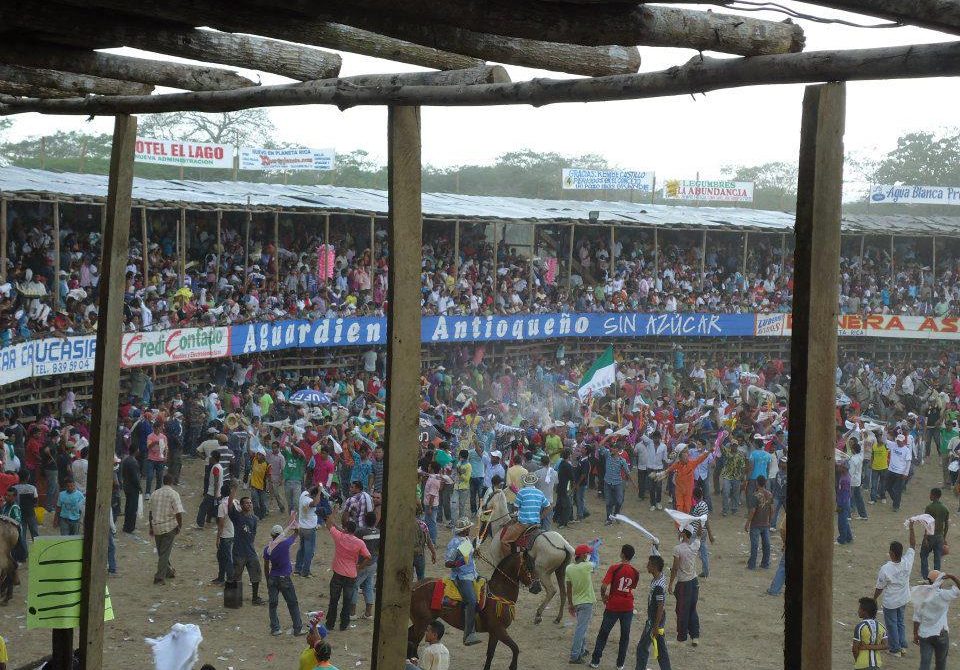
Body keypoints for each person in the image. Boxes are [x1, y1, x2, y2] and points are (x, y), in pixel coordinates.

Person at [589, 543, 639, 669]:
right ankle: (620, 664)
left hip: (613, 605)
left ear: (622, 554)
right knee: (625, 636)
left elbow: (604, 586)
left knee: (603, 633)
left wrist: (603, 597)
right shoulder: (635, 572)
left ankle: (595, 661)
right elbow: (631, 588)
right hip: (627, 607)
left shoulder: (614, 568)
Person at [873, 522, 917, 658]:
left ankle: (895, 649)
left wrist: (873, 598)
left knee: (892, 624)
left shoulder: (886, 568)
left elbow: (879, 587)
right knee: (900, 622)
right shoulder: (907, 561)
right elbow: (913, 545)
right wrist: (911, 528)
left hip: (891, 602)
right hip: (903, 598)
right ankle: (902, 646)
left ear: (891, 553)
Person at [325, 516, 371, 632]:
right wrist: (360, 567)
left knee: (333, 600)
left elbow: (329, 525)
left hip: (338, 573)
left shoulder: (340, 537)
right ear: (354, 531)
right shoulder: (359, 542)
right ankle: (344, 624)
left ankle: (330, 623)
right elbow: (368, 557)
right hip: (351, 574)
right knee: (347, 601)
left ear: (345, 529)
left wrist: (332, 514)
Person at [263, 520, 304, 636]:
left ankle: (275, 628)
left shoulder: (267, 549)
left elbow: (266, 566)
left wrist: (268, 580)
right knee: (292, 603)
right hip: (284, 578)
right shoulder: (286, 543)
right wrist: (294, 527)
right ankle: (297, 628)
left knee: (273, 604)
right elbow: (296, 533)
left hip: (273, 577)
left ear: (272, 535)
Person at [445, 516, 482, 646]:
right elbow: (448, 563)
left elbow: (469, 556)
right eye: (468, 528)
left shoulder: (466, 539)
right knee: (471, 601)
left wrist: (474, 552)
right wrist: (460, 562)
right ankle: (468, 634)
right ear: (464, 530)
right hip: (461, 577)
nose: (470, 530)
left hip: (472, 574)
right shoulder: (454, 543)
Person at [913, 571, 960, 670]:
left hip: (924, 634)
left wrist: (915, 633)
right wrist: (953, 577)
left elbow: (916, 618)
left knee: (924, 664)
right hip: (941, 633)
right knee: (941, 663)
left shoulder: (921, 595)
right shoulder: (944, 594)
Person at [227, 486, 264, 605]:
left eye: (250, 503)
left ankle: (255, 597)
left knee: (256, 574)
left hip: (250, 551)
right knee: (235, 576)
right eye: (247, 503)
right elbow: (230, 506)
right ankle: (232, 600)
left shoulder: (254, 519)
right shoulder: (237, 516)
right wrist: (234, 490)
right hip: (239, 552)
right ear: (241, 506)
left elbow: (253, 534)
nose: (249, 505)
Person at [635, 554, 671, 670]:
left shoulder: (658, 587)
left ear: (654, 567)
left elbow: (660, 606)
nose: (647, 566)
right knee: (660, 648)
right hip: (657, 618)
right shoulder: (660, 576)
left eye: (649, 564)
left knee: (642, 647)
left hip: (655, 619)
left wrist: (655, 625)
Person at [148, 474, 184, 586]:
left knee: (162, 552)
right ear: (171, 482)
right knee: (164, 553)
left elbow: (150, 512)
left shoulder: (154, 494)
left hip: (157, 526)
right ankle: (159, 577)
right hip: (169, 526)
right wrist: (179, 525)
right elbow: (178, 512)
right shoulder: (174, 494)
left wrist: (151, 527)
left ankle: (168, 571)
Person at [565, 543, 595, 664]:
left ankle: (582, 650)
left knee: (582, 627)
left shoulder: (569, 568)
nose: (588, 555)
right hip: (587, 602)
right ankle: (575, 656)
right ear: (582, 555)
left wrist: (570, 604)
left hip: (577, 602)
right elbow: (595, 562)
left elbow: (568, 588)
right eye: (587, 553)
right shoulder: (587, 566)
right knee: (581, 629)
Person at [669, 529, 700, 645]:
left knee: (682, 610)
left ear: (683, 534)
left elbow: (675, 568)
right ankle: (695, 636)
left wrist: (670, 583)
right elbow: (699, 535)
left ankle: (681, 637)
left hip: (683, 583)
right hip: (694, 582)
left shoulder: (678, 549)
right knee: (692, 608)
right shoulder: (695, 546)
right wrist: (701, 523)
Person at [660, 446, 712, 514]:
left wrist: (709, 451)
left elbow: (701, 458)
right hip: (679, 491)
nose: (687, 458)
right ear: (680, 459)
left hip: (688, 491)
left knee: (687, 508)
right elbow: (667, 470)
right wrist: (659, 474)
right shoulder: (676, 464)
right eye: (685, 457)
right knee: (679, 508)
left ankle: (685, 522)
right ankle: (679, 523)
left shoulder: (692, 463)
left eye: (687, 456)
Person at [351, 511, 380, 620]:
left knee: (354, 586)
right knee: (368, 586)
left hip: (362, 563)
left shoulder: (361, 532)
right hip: (373, 563)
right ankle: (368, 613)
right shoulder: (378, 532)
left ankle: (352, 613)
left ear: (365, 520)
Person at [295, 486, 325, 578]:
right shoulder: (309, 501)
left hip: (302, 527)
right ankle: (305, 572)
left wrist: (317, 488)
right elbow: (315, 503)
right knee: (309, 551)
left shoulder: (303, 494)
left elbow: (310, 490)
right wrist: (319, 491)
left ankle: (297, 570)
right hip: (309, 529)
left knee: (302, 549)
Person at [745, 475, 773, 570]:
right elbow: (771, 509)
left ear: (757, 483)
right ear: (765, 483)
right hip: (765, 523)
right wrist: (769, 521)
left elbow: (753, 510)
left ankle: (752, 565)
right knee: (766, 544)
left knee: (754, 545)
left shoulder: (754, 495)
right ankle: (765, 564)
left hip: (756, 523)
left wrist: (748, 522)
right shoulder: (769, 494)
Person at [921, 488, 949, 579]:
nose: (929, 496)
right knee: (937, 558)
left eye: (930, 494)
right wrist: (944, 538)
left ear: (933, 495)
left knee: (924, 555)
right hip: (940, 536)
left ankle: (926, 577)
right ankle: (936, 578)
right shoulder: (945, 508)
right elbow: (946, 525)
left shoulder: (929, 507)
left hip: (930, 535)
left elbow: (926, 524)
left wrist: (925, 538)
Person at [852, 596, 887, 670]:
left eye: (860, 609)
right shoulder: (881, 626)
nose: (858, 611)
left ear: (865, 611)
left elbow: (855, 649)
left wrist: (857, 660)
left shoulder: (860, 626)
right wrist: (869, 647)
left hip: (862, 664)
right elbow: (886, 645)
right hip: (877, 664)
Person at [600, 442, 631, 523]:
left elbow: (628, 472)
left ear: (618, 450)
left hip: (617, 483)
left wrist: (627, 477)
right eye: (612, 448)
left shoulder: (622, 460)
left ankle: (616, 515)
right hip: (608, 482)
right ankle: (609, 518)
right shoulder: (608, 455)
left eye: (614, 448)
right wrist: (609, 436)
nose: (612, 449)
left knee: (619, 501)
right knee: (608, 502)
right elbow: (600, 445)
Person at [213, 483, 235, 585]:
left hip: (225, 535)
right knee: (222, 556)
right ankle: (221, 577)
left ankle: (229, 579)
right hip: (234, 533)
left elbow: (221, 524)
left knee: (225, 558)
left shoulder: (222, 505)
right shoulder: (236, 502)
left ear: (221, 493)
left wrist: (217, 538)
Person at [690, 487, 714, 578]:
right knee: (703, 552)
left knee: (690, 551)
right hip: (703, 532)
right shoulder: (704, 504)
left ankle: (690, 571)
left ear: (694, 496)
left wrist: (699, 530)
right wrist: (710, 534)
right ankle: (705, 571)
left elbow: (701, 520)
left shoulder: (698, 506)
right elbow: (706, 519)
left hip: (697, 532)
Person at [196, 451, 224, 530]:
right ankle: (210, 521)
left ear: (214, 458)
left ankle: (200, 524)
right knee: (213, 509)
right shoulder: (220, 467)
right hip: (217, 492)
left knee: (203, 508)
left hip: (212, 493)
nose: (210, 458)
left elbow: (216, 482)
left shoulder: (215, 468)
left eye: (211, 457)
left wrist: (215, 494)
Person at [120, 446, 141, 533]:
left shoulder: (126, 460)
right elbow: (135, 478)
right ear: (136, 451)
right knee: (132, 508)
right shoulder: (133, 462)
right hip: (133, 488)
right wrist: (139, 487)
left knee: (128, 507)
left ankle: (126, 526)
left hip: (126, 486)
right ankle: (130, 528)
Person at [249, 451, 270, 519]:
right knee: (255, 501)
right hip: (253, 485)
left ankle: (262, 515)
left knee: (262, 502)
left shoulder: (267, 465)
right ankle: (257, 515)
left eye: (260, 455)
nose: (258, 456)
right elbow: (249, 451)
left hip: (262, 486)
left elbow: (268, 477)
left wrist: (269, 487)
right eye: (258, 454)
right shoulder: (254, 460)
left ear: (264, 456)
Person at [837, 461, 854, 545]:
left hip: (843, 502)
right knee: (844, 521)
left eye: (840, 467)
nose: (838, 468)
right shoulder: (844, 476)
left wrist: (840, 505)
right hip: (844, 502)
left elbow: (845, 494)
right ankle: (849, 537)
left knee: (841, 522)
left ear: (844, 469)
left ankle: (842, 539)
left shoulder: (845, 479)